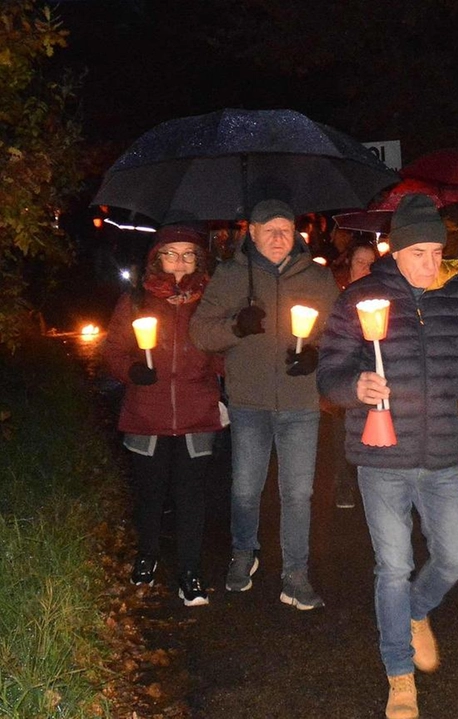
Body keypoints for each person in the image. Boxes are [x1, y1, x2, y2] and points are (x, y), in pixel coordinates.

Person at [317, 194, 458, 719]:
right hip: (382, 457)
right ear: (398, 249)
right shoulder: (360, 298)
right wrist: (355, 385)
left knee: (456, 557)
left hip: (442, 455)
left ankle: (416, 611)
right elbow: (328, 374)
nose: (432, 263)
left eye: (439, 252)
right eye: (420, 253)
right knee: (393, 566)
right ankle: (399, 675)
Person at [190, 199, 337, 610]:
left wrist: (318, 353)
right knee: (245, 488)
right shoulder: (232, 275)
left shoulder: (319, 278)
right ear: (250, 232)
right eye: (268, 229)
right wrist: (237, 326)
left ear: (297, 233)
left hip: (299, 402)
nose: (277, 237)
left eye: (285, 229)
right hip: (249, 401)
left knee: (297, 492)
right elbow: (201, 332)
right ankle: (243, 552)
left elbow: (341, 334)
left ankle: (296, 573)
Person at [102, 224, 222, 607]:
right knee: (150, 495)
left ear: (199, 260)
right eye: (171, 253)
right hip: (146, 414)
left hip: (196, 413)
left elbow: (222, 356)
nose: (180, 262)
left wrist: (235, 335)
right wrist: (132, 370)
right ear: (157, 258)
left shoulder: (211, 302)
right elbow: (114, 350)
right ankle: (147, 556)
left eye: (189, 254)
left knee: (191, 498)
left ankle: (190, 572)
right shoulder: (136, 301)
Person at [327, 241, 379, 510]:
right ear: (349, 265)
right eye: (360, 261)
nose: (366, 267)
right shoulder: (339, 295)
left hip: (373, 375)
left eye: (371, 262)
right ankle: (344, 483)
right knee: (342, 432)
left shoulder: (383, 296)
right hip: (345, 375)